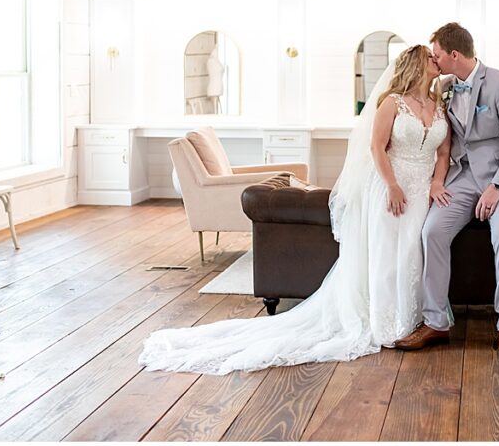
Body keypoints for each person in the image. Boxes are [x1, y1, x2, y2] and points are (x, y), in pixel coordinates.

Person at [138, 45, 448, 374]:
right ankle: (386, 323)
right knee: (385, 255)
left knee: (412, 255)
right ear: (415, 64)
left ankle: (410, 317)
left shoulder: (438, 104)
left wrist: (437, 183)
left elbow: (443, 152)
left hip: (422, 191)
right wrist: (392, 185)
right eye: (430, 56)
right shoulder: (392, 102)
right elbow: (375, 146)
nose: (436, 60)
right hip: (392, 188)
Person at [394, 23, 499, 357]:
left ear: (454, 55)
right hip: (462, 178)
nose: (434, 59)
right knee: (432, 232)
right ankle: (436, 322)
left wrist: (496, 187)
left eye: (437, 54)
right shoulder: (442, 85)